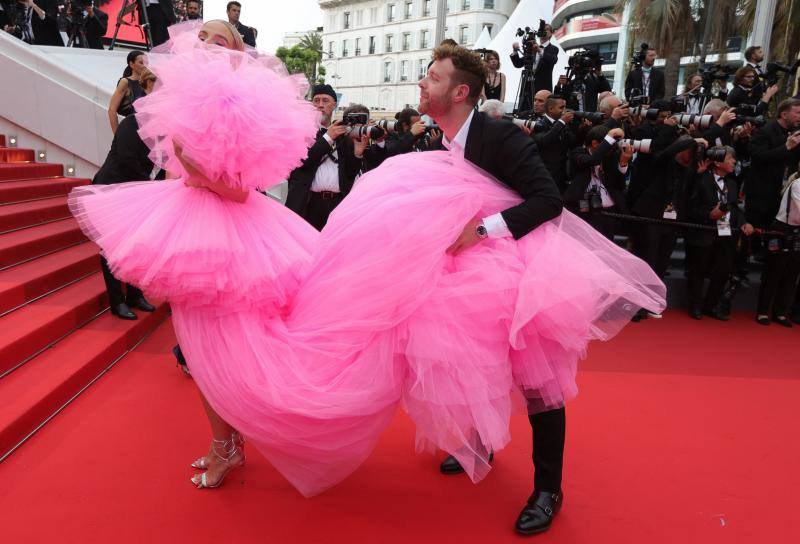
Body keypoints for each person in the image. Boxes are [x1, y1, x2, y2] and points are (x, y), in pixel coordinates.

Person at [69, 32, 665, 534]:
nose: (420, 85)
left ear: (459, 91)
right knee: (462, 353)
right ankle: (478, 443)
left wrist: (481, 230)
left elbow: (548, 201)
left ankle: (548, 490)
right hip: (462, 264)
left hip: (519, 262)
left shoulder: (498, 135)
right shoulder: (441, 139)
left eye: (431, 76)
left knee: (536, 373)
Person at [91, 69, 159, 320]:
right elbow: (127, 159)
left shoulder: (162, 126)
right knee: (111, 247)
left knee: (138, 246)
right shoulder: (133, 121)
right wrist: (151, 187)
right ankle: (117, 300)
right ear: (148, 89)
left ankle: (135, 294)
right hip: (113, 189)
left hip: (138, 193)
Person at [685, 146, 754, 320]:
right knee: (698, 270)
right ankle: (696, 306)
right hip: (704, 233)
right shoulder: (701, 179)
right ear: (717, 162)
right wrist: (709, 214)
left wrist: (744, 222)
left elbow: (735, 209)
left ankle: (711, 305)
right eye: (731, 158)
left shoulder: (732, 183)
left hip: (726, 234)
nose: (734, 162)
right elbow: (690, 209)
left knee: (723, 271)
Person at [285, 84, 364, 230]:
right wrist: (328, 137)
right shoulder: (300, 131)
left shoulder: (343, 134)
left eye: (325, 101)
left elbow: (349, 173)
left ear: (334, 105)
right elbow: (302, 162)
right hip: (307, 203)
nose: (320, 105)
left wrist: (357, 154)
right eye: (316, 100)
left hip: (337, 204)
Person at [564, 126, 632, 240]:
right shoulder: (578, 153)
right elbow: (592, 161)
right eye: (610, 144)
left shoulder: (610, 156)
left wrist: (623, 163)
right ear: (595, 143)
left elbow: (618, 184)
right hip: (585, 211)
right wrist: (609, 137)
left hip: (609, 212)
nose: (613, 148)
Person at [747, 98, 800, 229]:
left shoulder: (794, 132)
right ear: (784, 114)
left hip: (781, 194)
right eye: (798, 113)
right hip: (760, 196)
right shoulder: (765, 131)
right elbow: (758, 157)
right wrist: (786, 147)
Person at [756, 172, 800, 326]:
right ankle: (763, 311)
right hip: (781, 230)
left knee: (791, 274)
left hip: (797, 231)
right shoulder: (797, 184)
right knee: (773, 272)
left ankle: (780, 312)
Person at [531, 95, 575, 193]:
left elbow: (573, 143)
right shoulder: (539, 124)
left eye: (565, 107)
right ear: (550, 109)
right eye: (561, 108)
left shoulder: (563, 124)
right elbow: (545, 141)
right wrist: (561, 122)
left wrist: (581, 128)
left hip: (562, 174)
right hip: (546, 175)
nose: (564, 111)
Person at [509, 23, 557, 93]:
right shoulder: (531, 47)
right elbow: (518, 64)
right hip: (527, 87)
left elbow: (553, 60)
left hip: (543, 89)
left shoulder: (553, 49)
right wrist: (515, 51)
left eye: (546, 29)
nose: (543, 31)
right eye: (541, 29)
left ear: (551, 33)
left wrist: (539, 50)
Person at [107, 51, 147, 134]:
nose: (144, 66)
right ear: (131, 64)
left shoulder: (148, 82)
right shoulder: (125, 82)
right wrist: (117, 135)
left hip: (146, 130)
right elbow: (111, 110)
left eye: (146, 63)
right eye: (141, 63)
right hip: (131, 131)